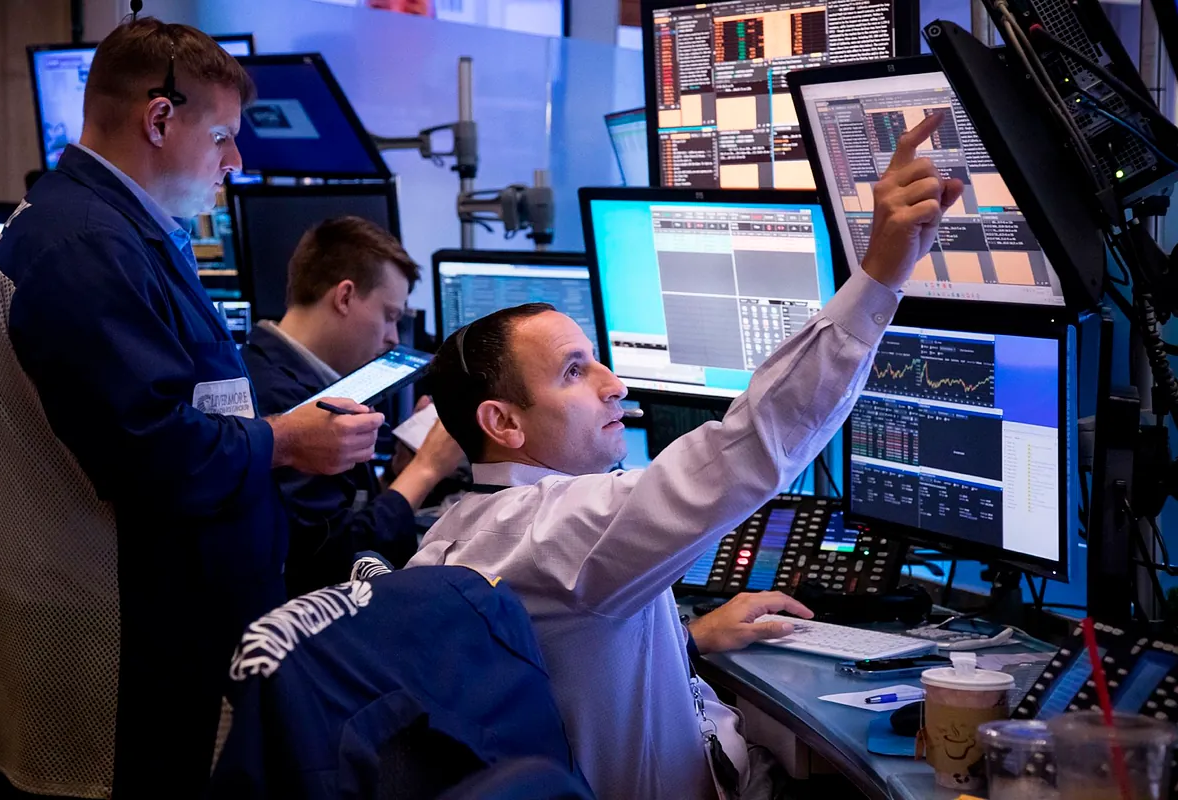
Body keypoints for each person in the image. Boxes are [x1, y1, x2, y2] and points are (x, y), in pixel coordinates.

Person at [408, 113, 963, 799]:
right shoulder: (558, 530)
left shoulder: (457, 532)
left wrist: (690, 639)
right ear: (504, 422)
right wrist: (879, 273)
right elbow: (747, 448)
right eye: (574, 371)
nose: (616, 383)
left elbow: (571, 663)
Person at [0, 19, 385, 799]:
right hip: (115, 649)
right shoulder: (83, 248)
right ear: (160, 120)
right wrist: (286, 442)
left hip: (158, 633)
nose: (236, 161)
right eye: (225, 136)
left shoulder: (116, 231)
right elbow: (154, 454)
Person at [243, 216, 464, 593]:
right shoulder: (282, 402)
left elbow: (340, 509)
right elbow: (334, 559)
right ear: (344, 297)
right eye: (390, 316)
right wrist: (426, 470)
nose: (394, 337)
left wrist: (396, 475)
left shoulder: (280, 374)